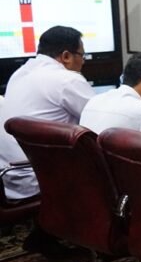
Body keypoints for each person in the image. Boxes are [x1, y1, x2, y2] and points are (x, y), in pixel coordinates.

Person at [0, 25, 94, 201]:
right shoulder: (67, 80)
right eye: (82, 55)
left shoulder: (20, 73)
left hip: (9, 177)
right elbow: (101, 118)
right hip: (40, 178)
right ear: (66, 56)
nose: (84, 61)